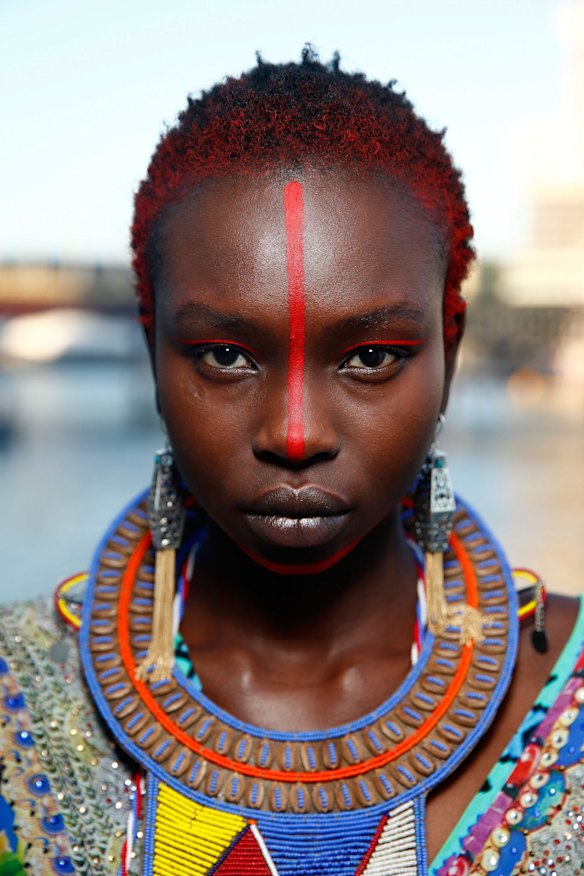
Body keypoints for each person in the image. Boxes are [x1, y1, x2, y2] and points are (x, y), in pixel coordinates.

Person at [0, 49, 582, 876]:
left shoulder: (570, 684)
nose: (297, 433)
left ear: (449, 354)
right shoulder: (14, 689)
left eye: (373, 356)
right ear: (148, 349)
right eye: (225, 358)